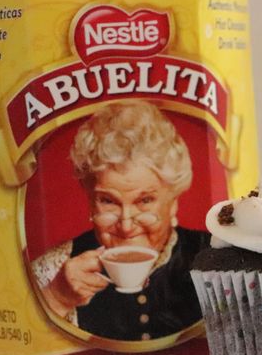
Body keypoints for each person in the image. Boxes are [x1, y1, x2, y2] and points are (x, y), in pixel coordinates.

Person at [32, 101, 210, 341]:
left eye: (145, 200)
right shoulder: (54, 270)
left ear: (174, 200)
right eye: (108, 201)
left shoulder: (214, 257)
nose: (126, 226)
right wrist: (57, 298)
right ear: (90, 201)